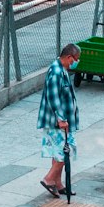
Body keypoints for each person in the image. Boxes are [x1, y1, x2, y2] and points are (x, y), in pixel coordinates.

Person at [37, 43, 80, 198]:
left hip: (59, 120)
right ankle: (49, 179)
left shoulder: (61, 70)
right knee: (66, 151)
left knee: (58, 152)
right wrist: (61, 120)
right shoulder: (56, 72)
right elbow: (53, 97)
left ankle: (58, 183)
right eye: (75, 59)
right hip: (57, 122)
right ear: (69, 57)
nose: (75, 63)